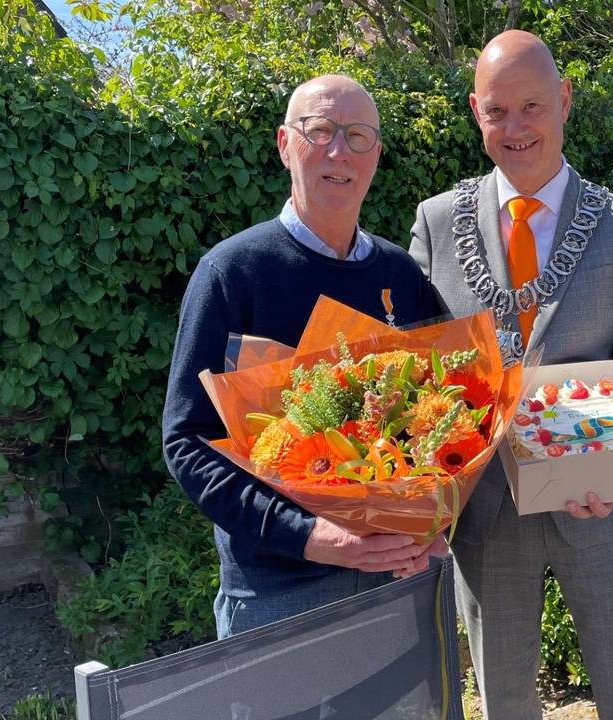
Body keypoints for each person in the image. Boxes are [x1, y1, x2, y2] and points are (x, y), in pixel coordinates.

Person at [409, 30, 613, 719]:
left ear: (564, 100)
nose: (515, 127)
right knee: (504, 703)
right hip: (486, 515)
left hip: (600, 511)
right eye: (497, 111)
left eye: (532, 106)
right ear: (474, 111)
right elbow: (418, 384)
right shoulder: (434, 224)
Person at [163, 75, 446, 639]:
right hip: (279, 593)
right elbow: (187, 443)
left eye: (359, 136)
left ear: (377, 155)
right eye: (319, 130)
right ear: (284, 144)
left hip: (400, 574)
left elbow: (456, 415)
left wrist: (430, 524)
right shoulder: (231, 273)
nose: (339, 150)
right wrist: (311, 536)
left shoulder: (401, 276)